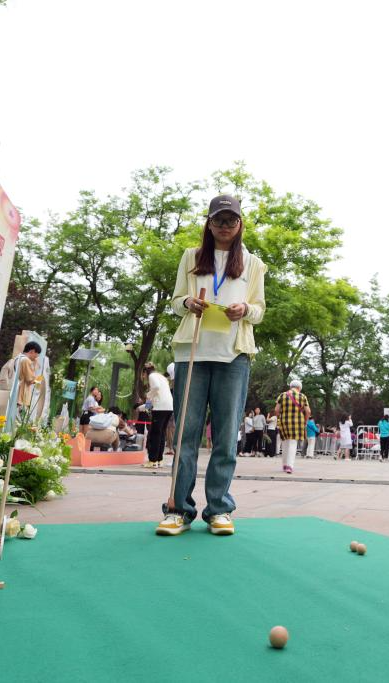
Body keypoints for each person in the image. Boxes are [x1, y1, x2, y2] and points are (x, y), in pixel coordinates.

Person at [156, 194, 267, 537]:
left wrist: (244, 310)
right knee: (186, 434)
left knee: (225, 436)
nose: (224, 226)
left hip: (233, 356)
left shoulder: (253, 263)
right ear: (209, 223)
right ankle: (178, 509)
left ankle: (219, 509)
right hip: (192, 352)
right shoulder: (191, 257)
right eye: (218, 220)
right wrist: (188, 302)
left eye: (231, 220)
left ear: (240, 224)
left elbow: (259, 310)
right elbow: (175, 301)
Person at [141, 362, 173, 469]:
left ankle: (152, 460)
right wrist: (145, 407)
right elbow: (154, 396)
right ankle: (159, 460)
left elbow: (156, 387)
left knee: (154, 434)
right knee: (161, 433)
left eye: (143, 375)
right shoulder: (162, 377)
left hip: (160, 408)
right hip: (169, 407)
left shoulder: (152, 376)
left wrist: (148, 394)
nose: (144, 377)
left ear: (145, 372)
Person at [274, 380, 311, 474]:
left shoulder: (282, 395)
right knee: (292, 443)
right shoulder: (302, 396)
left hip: (284, 422)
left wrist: (280, 418)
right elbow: (308, 411)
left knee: (285, 443)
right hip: (297, 423)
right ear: (299, 388)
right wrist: (305, 421)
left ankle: (284, 465)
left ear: (291, 387)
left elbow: (276, 410)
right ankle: (289, 466)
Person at [15, 342, 42, 413]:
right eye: (36, 354)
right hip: (22, 394)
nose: (36, 357)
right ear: (32, 351)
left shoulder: (18, 357)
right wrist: (38, 380)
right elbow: (30, 380)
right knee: (18, 416)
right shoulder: (26, 361)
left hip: (16, 390)